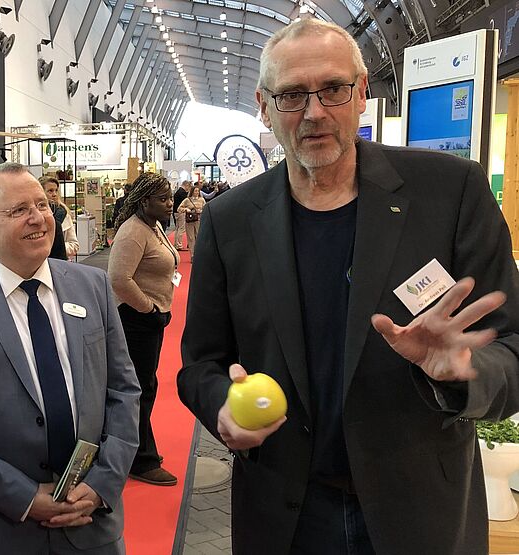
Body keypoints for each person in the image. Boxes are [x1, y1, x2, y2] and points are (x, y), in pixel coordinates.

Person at [177, 18, 519, 555]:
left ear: (361, 93)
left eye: (332, 89)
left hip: (420, 511)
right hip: (286, 515)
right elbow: (199, 364)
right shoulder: (231, 219)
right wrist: (221, 404)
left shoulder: (451, 193)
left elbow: (511, 349)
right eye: (292, 95)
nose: (314, 112)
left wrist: (466, 373)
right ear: (264, 108)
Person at [0, 162, 140, 554]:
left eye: (42, 204)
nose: (38, 218)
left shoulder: (92, 286)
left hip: (91, 525)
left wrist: (103, 482)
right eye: (19, 210)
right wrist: (20, 497)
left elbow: (123, 390)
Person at [107, 172, 180, 487]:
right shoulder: (133, 231)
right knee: (138, 388)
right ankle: (141, 459)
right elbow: (119, 278)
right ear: (145, 200)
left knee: (145, 385)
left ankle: (134, 450)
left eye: (169, 197)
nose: (169, 203)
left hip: (152, 318)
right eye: (162, 199)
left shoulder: (155, 226)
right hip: (136, 320)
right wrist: (148, 309)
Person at [41, 177, 80, 259]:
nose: (54, 194)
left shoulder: (63, 213)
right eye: (50, 191)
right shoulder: (35, 215)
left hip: (60, 262)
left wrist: (59, 246)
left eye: (56, 190)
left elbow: (74, 245)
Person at [175, 186, 205, 254]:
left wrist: (201, 211)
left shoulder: (202, 200)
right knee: (191, 238)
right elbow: (179, 209)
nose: (197, 192)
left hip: (199, 220)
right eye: (195, 191)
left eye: (198, 191)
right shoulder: (187, 200)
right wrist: (186, 209)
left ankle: (198, 253)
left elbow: (205, 208)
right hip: (190, 221)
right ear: (192, 191)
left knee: (198, 237)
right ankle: (192, 254)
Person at [172, 180, 190, 250]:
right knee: (181, 229)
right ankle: (179, 245)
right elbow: (185, 202)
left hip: (176, 212)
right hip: (180, 212)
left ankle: (176, 244)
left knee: (177, 228)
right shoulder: (182, 192)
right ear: (186, 185)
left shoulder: (178, 191)